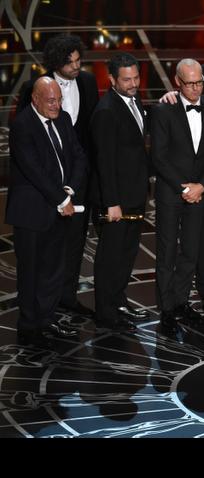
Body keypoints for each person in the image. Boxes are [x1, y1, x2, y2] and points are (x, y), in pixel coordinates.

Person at [17, 34, 100, 318]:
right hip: (43, 193)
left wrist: (74, 187)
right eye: (70, 62)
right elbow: (27, 147)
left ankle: (67, 298)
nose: (76, 67)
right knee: (43, 257)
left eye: (79, 61)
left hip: (77, 184)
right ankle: (39, 315)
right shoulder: (34, 88)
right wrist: (56, 193)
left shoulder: (88, 82)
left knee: (74, 245)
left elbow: (89, 136)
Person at [5, 77, 88, 348]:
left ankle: (48, 317)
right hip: (32, 213)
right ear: (35, 100)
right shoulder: (22, 126)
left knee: (54, 269)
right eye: (51, 101)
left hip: (61, 207)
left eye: (59, 99)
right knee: (31, 272)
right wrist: (60, 199)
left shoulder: (62, 118)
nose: (57, 105)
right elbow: (33, 171)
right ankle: (29, 327)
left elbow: (78, 156)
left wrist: (71, 191)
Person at [150, 59, 204, 332]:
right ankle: (167, 309)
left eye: (199, 82)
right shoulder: (163, 110)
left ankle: (181, 301)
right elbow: (158, 158)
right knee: (167, 252)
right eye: (189, 83)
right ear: (177, 82)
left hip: (200, 193)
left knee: (191, 251)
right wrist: (185, 188)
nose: (195, 88)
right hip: (172, 192)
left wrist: (201, 186)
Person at [90, 52, 151, 333]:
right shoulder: (105, 111)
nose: (133, 83)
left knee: (126, 255)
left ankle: (118, 302)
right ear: (112, 79)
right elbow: (104, 162)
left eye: (136, 77)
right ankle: (106, 312)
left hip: (135, 195)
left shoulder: (134, 101)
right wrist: (112, 203)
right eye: (126, 79)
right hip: (116, 202)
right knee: (110, 257)